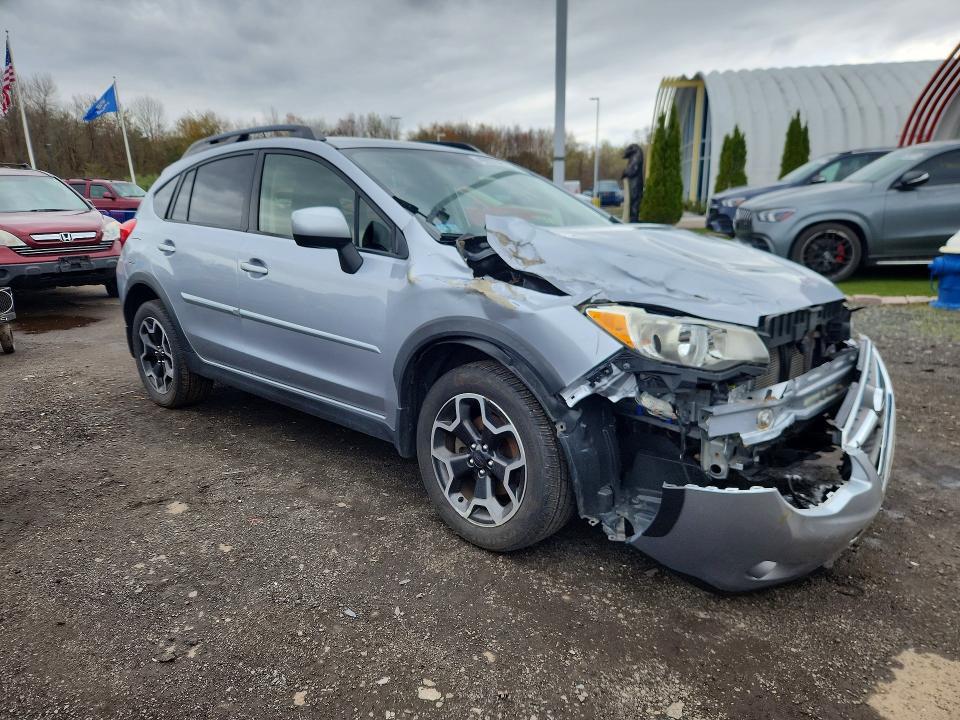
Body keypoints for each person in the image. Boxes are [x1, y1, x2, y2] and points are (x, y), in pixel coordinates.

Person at [621, 143, 644, 223]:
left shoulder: (636, 155)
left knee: (633, 206)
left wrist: (624, 173)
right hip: (634, 184)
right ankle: (632, 221)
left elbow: (632, 170)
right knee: (633, 206)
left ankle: (633, 223)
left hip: (635, 185)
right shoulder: (635, 155)